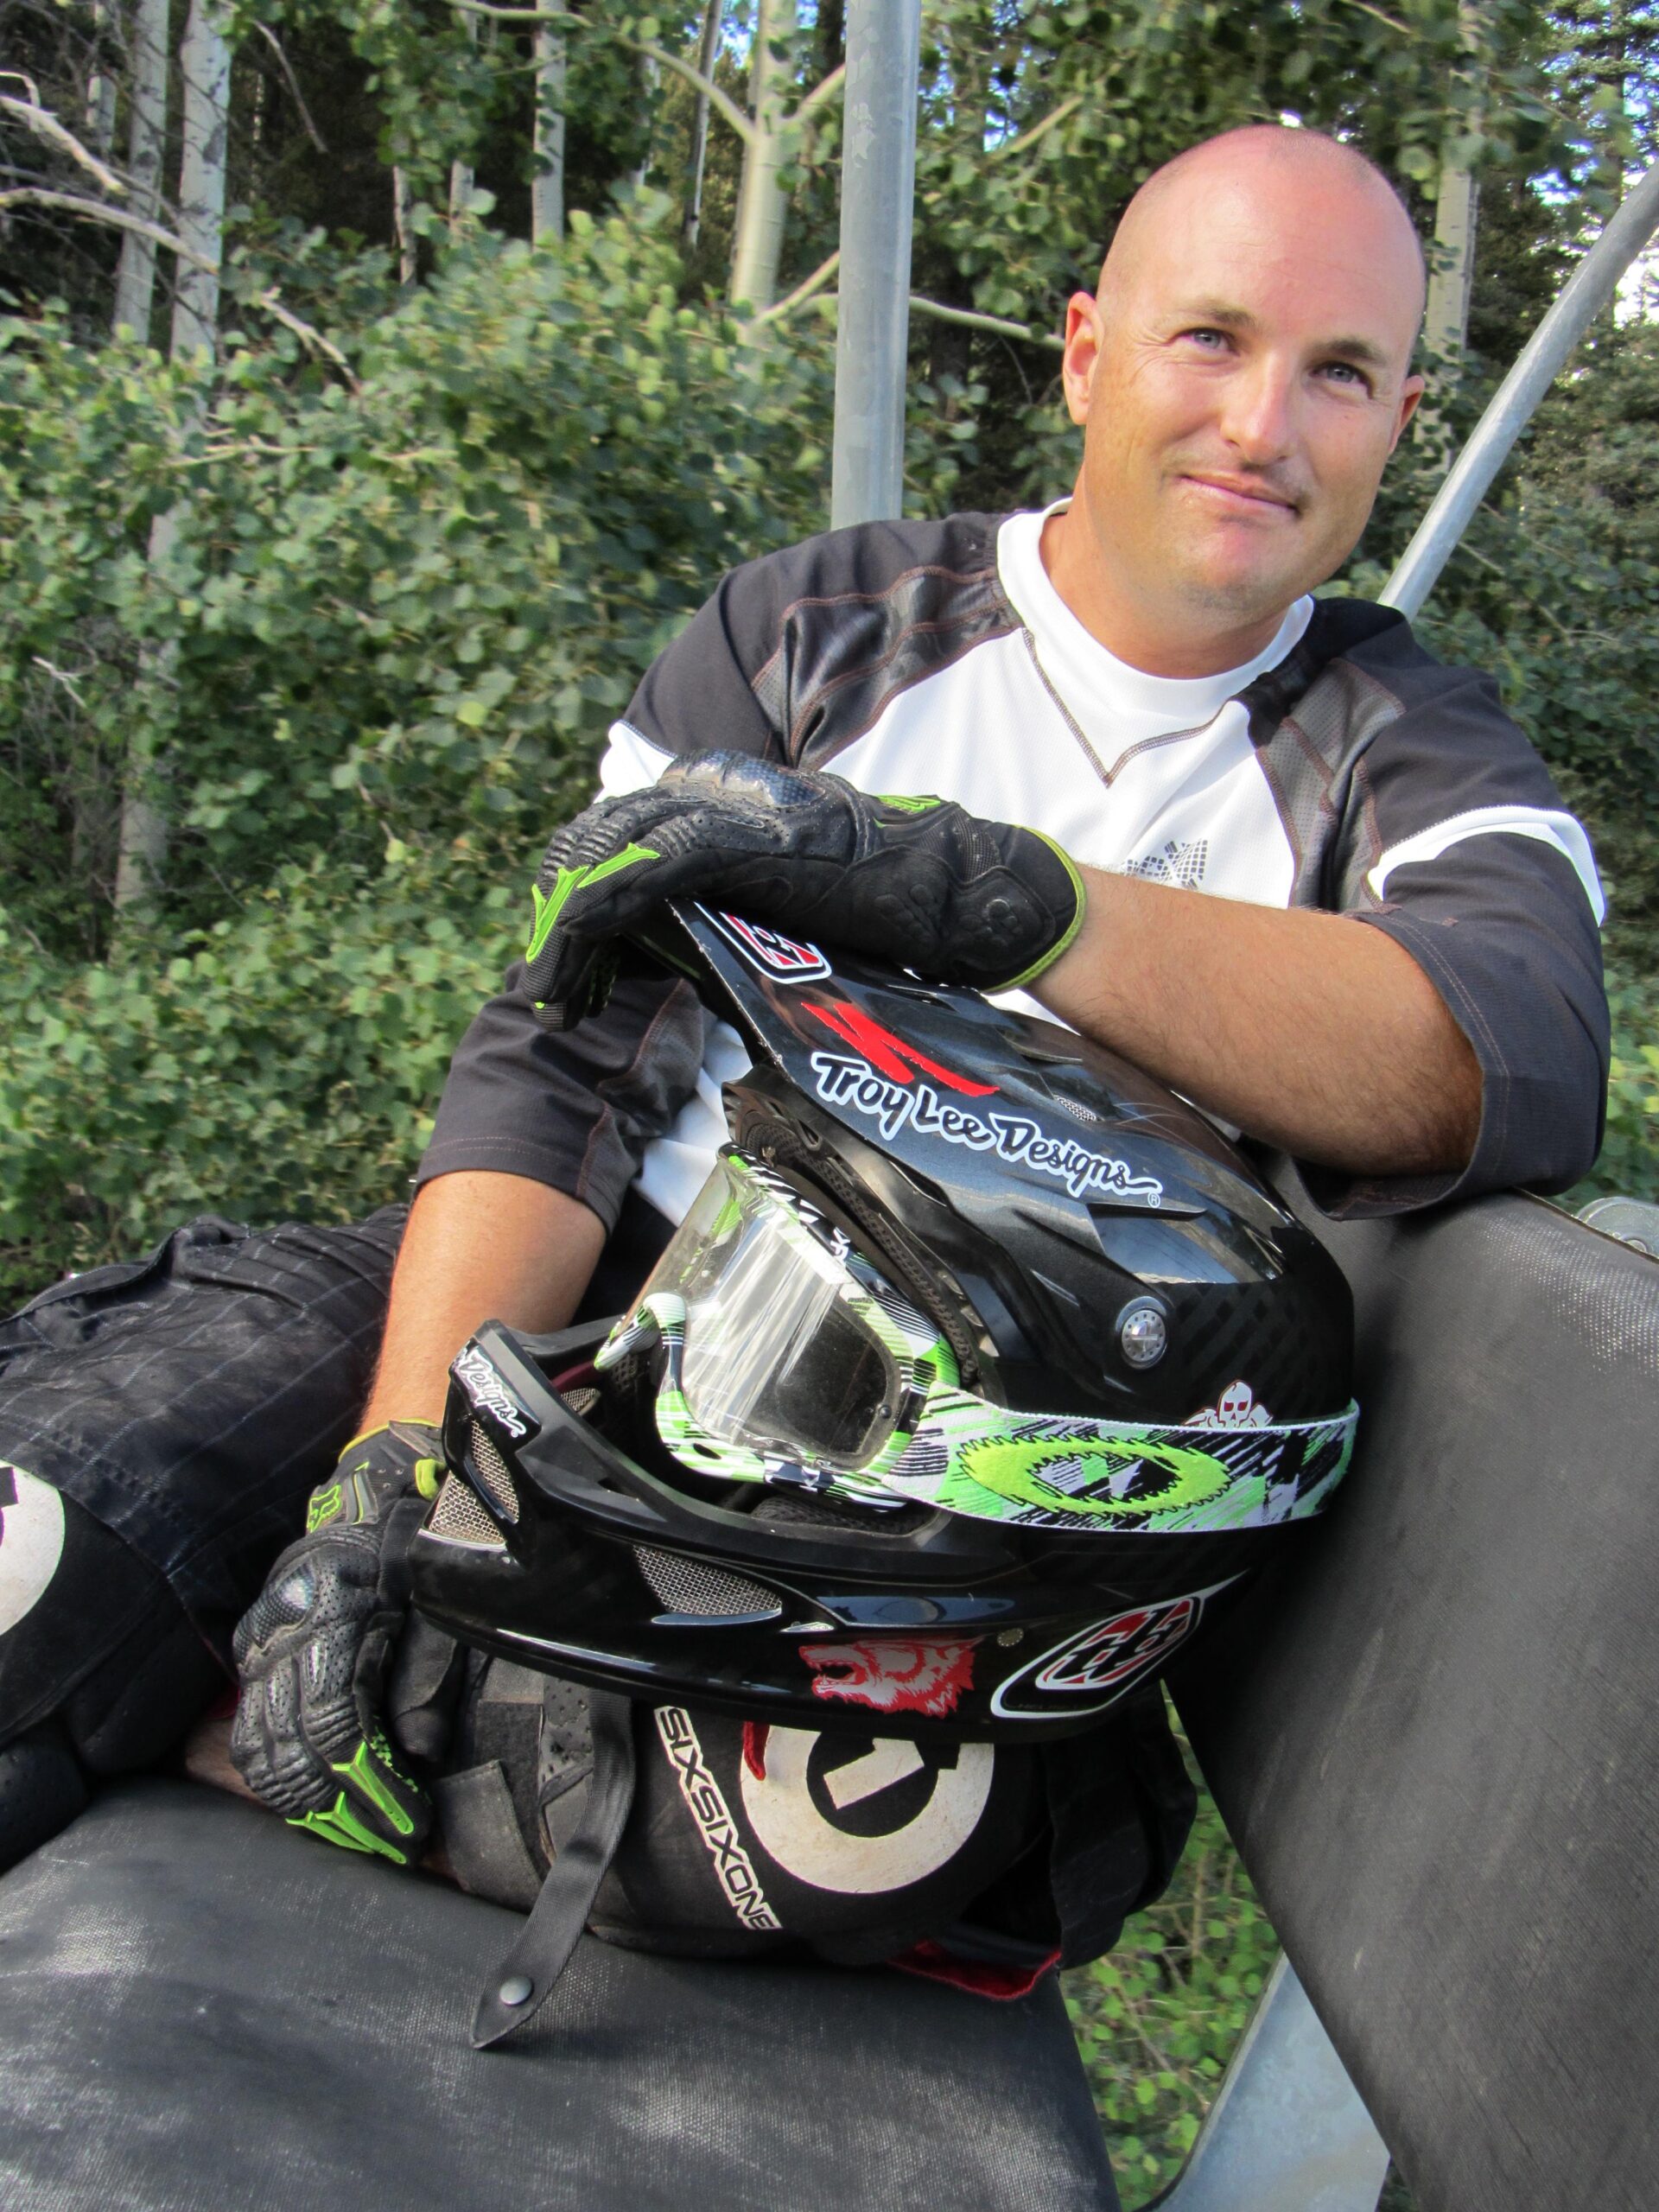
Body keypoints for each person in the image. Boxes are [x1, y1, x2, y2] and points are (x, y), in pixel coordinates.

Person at [0, 127, 1607, 1948]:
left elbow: (1520, 1050)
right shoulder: (809, 632)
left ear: (1401, 411)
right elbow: (553, 1078)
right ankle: (297, 1669)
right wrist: (391, 1469)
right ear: (1085, 350)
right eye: (1210, 340)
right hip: (605, 1280)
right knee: (37, 1556)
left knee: (856, 1827)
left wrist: (993, 896)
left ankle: (284, 1721)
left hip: (935, 1475)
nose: (1265, 425)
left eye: (1342, 372)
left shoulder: (1410, 745)